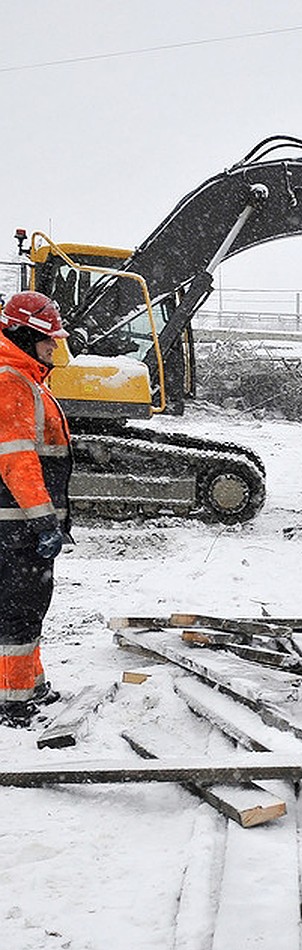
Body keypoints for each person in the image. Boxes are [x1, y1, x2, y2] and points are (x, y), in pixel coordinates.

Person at [0, 291, 72, 728]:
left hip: (17, 520)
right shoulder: (12, 380)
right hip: (16, 522)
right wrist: (43, 519)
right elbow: (17, 458)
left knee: (27, 606)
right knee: (20, 609)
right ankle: (13, 702)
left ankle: (31, 684)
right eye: (48, 339)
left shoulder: (26, 375)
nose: (55, 346)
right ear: (27, 335)